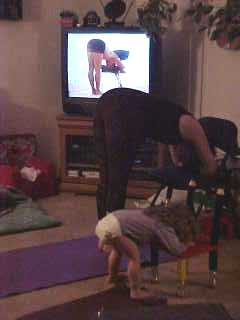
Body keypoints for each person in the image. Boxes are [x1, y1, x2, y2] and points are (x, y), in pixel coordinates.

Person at [94, 87, 217, 219]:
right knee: (117, 177)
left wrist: (183, 165)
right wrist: (206, 176)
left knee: (106, 173)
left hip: (107, 100)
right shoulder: (191, 126)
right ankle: (112, 230)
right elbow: (211, 166)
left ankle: (103, 223)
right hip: (125, 109)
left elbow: (176, 162)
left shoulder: (177, 128)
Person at [95, 203, 200, 302]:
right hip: (115, 229)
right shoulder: (163, 226)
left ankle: (112, 277)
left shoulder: (151, 214)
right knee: (134, 257)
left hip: (107, 221)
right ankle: (135, 291)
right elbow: (176, 249)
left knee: (118, 251)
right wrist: (187, 244)